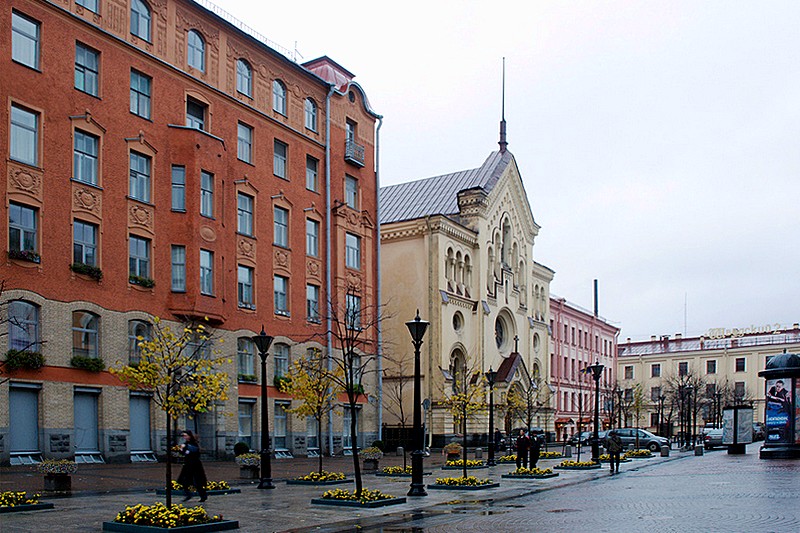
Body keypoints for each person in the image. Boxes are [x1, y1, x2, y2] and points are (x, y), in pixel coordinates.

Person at [177, 430, 208, 502]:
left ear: (189, 436)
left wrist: (186, 448)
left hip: (195, 465)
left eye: (185, 435)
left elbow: (194, 451)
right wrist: (181, 449)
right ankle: (188, 494)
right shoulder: (186, 444)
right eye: (183, 436)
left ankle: (203, 495)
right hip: (187, 465)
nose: (184, 437)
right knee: (184, 481)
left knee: (197, 481)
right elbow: (183, 453)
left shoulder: (193, 444)